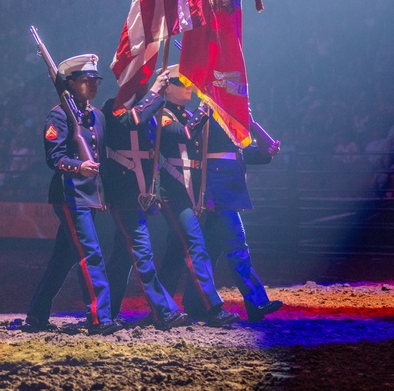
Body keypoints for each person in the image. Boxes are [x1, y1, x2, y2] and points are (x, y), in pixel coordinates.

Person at [24, 54, 123, 336]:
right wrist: (79, 166)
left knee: (63, 258)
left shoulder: (97, 117)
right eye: (86, 80)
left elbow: (100, 155)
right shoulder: (58, 114)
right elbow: (54, 157)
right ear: (70, 83)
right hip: (69, 195)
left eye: (95, 80)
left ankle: (37, 314)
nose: (93, 85)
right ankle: (99, 318)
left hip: (89, 195)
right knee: (91, 253)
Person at [152, 65, 239, 327]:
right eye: (182, 82)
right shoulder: (162, 114)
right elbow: (184, 133)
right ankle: (212, 308)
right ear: (167, 88)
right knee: (195, 246)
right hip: (173, 192)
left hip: (191, 193)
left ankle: (160, 309)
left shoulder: (186, 114)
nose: (189, 86)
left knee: (175, 254)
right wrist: (205, 106)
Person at [101, 73, 189, 330]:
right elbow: (133, 122)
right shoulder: (113, 107)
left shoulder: (151, 108)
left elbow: (152, 156)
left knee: (122, 259)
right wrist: (155, 92)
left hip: (141, 194)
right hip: (123, 193)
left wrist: (156, 192)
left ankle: (105, 312)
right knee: (142, 252)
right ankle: (164, 311)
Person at [192, 107, 284, 322]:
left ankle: (194, 303)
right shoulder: (207, 118)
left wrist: (251, 123)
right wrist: (208, 195)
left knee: (209, 253)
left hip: (228, 194)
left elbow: (258, 153)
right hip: (219, 196)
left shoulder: (232, 123)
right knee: (238, 247)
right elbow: (202, 160)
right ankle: (257, 301)